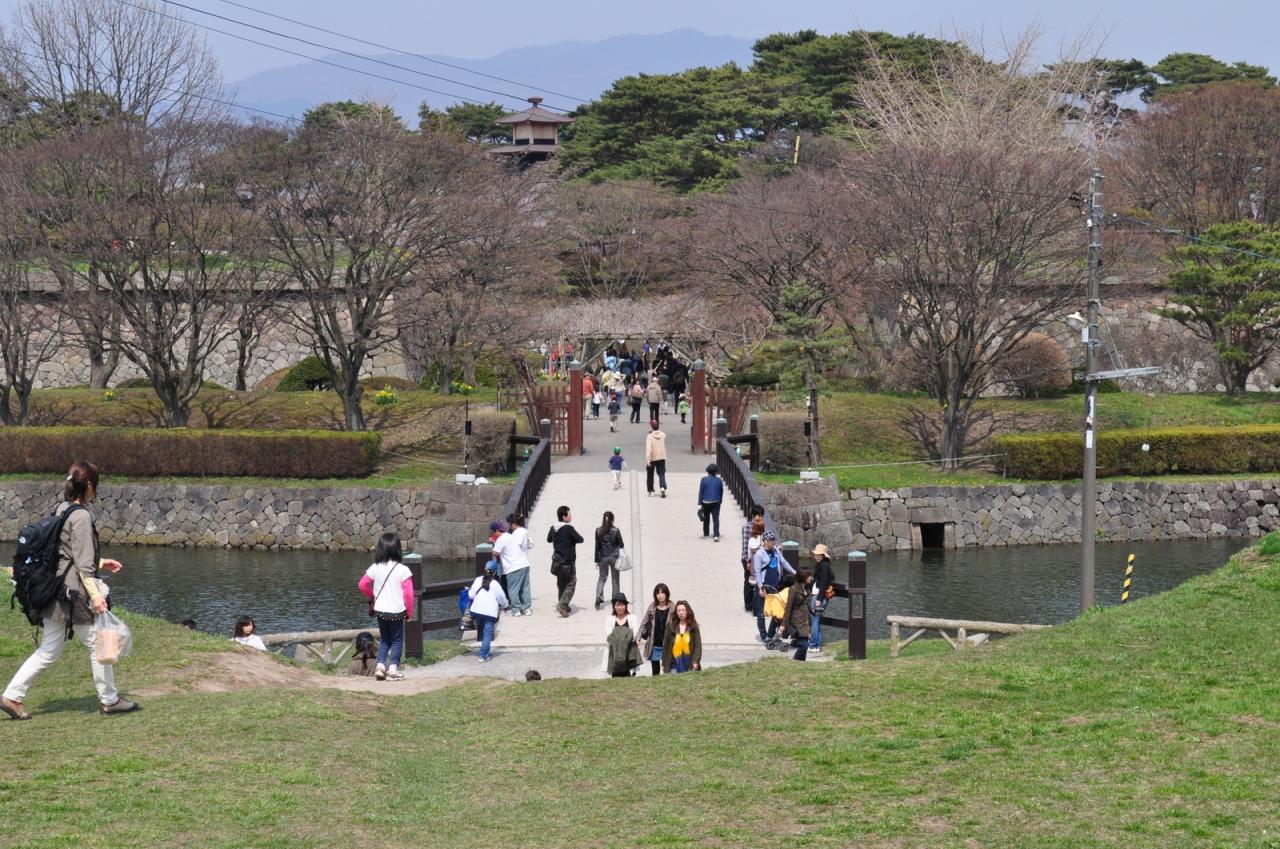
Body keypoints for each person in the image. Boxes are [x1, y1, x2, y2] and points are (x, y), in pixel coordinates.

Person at [3, 461, 138, 719]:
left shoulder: (62, 508)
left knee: (49, 649)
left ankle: (12, 696)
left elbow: (66, 553)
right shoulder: (82, 516)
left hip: (54, 589)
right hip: (73, 594)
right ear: (89, 485)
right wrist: (96, 597)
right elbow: (83, 565)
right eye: (96, 484)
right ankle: (110, 700)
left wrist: (101, 562)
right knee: (99, 644)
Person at [358, 532, 415, 681]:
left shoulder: (375, 567)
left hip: (380, 610)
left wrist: (372, 595)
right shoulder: (403, 570)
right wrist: (409, 612)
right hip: (397, 610)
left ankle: (380, 666)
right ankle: (393, 669)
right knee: (397, 640)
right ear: (397, 549)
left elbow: (362, 584)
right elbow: (409, 594)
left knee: (385, 639)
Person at [752, 532, 795, 643]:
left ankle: (771, 634)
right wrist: (760, 587)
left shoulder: (775, 551)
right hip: (764, 585)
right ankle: (764, 636)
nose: (773, 542)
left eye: (773, 540)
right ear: (765, 541)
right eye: (771, 540)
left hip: (775, 585)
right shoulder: (759, 554)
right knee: (761, 613)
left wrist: (795, 573)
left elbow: (784, 563)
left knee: (777, 610)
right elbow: (757, 572)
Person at [468, 561, 509, 663]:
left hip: (477, 610)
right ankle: (483, 655)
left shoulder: (478, 580)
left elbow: (471, 595)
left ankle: (483, 650)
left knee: (482, 631)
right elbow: (501, 598)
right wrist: (505, 606)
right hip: (489, 612)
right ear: (495, 572)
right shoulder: (495, 584)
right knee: (487, 634)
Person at [493, 513, 533, 616]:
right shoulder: (513, 535)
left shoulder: (509, 536)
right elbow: (530, 544)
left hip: (513, 566)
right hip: (524, 563)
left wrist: (494, 545)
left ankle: (516, 610)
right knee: (525, 588)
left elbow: (495, 552)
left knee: (513, 589)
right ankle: (526, 608)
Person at [547, 505, 584, 617]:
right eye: (569, 514)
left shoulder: (553, 528)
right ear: (564, 516)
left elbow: (549, 539)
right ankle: (562, 604)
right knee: (571, 582)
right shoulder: (568, 528)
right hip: (568, 561)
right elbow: (580, 539)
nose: (571, 516)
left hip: (557, 561)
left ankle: (564, 606)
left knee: (561, 583)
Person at [602, 593, 641, 678]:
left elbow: (635, 632)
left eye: (622, 605)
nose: (620, 607)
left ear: (626, 606)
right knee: (614, 676)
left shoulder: (632, 617)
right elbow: (609, 636)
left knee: (629, 676)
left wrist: (629, 640)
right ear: (614, 606)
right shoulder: (609, 619)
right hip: (614, 651)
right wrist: (624, 639)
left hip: (629, 651)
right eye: (617, 605)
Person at [780, 566, 815, 660]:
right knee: (804, 645)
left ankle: (800, 662)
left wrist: (812, 611)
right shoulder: (793, 589)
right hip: (796, 620)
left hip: (805, 619)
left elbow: (805, 603)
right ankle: (796, 661)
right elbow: (788, 607)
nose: (811, 578)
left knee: (804, 645)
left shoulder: (807, 587)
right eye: (809, 576)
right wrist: (783, 624)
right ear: (803, 576)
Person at [638, 583, 672, 676]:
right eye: (658, 593)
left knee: (667, 669)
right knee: (655, 670)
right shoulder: (652, 607)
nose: (660, 595)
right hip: (655, 643)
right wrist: (638, 638)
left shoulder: (672, 607)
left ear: (667, 594)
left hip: (668, 643)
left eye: (662, 593)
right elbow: (644, 623)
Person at [593, 511, 625, 610]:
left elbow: (597, 546)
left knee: (602, 578)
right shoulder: (616, 530)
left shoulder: (598, 530)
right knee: (615, 579)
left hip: (603, 557)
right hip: (614, 557)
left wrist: (596, 560)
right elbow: (621, 544)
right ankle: (615, 600)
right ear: (612, 520)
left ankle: (598, 596)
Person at [662, 600, 702, 673]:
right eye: (679, 611)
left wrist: (695, 661)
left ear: (687, 611)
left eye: (683, 610)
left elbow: (698, 646)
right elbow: (666, 646)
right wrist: (664, 663)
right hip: (674, 664)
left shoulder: (693, 626)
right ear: (676, 613)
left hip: (689, 664)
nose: (681, 613)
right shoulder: (671, 626)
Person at [809, 544, 835, 656]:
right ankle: (817, 645)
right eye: (815, 554)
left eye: (818, 554)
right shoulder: (824, 565)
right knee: (817, 620)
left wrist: (819, 598)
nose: (816, 556)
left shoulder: (823, 566)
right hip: (819, 596)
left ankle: (813, 645)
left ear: (823, 555)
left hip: (818, 596)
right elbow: (830, 578)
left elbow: (824, 582)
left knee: (815, 620)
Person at [741, 506, 766, 613]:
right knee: (749, 580)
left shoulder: (761, 526)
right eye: (758, 516)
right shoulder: (747, 527)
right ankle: (749, 605)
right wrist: (748, 561)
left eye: (761, 516)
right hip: (749, 558)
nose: (759, 518)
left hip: (758, 558)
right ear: (753, 516)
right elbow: (746, 545)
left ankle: (755, 604)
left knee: (757, 580)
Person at [698, 463, 724, 541]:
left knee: (706, 518)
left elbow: (701, 491)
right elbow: (721, 492)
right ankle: (716, 535)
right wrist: (720, 501)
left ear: (708, 471)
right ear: (716, 472)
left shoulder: (703, 479)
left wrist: (699, 503)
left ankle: (706, 534)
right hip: (716, 502)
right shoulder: (719, 481)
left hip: (705, 502)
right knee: (715, 519)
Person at [645, 419, 668, 498]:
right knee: (661, 473)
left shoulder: (649, 436)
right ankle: (662, 487)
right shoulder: (662, 435)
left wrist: (648, 459)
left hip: (653, 457)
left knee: (650, 474)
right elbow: (662, 434)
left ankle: (651, 490)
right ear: (658, 426)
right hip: (661, 456)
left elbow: (648, 448)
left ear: (651, 427)